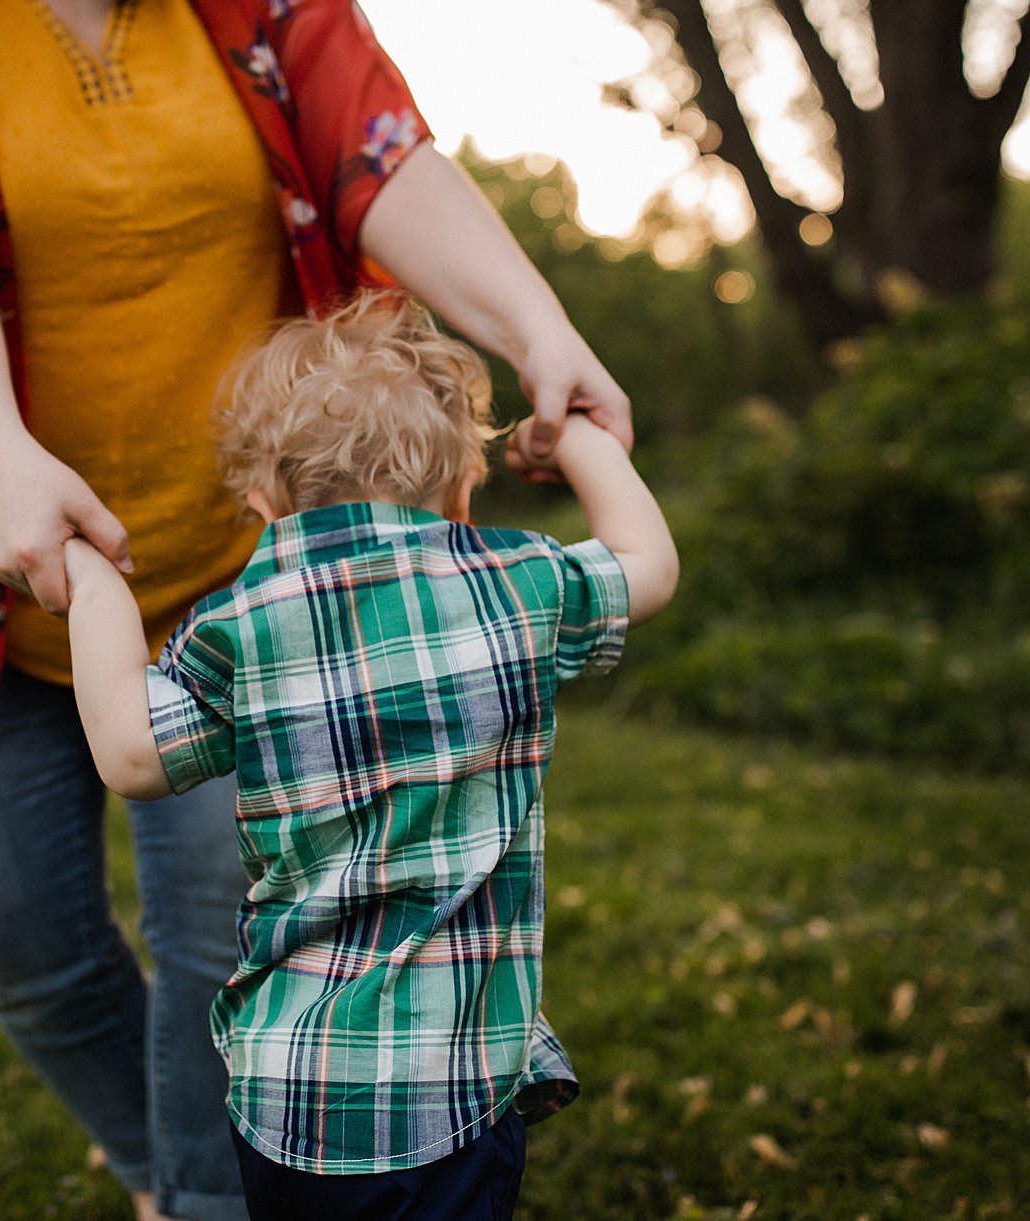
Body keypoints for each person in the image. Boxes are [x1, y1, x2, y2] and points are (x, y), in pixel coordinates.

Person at [0, 0, 635, 1216]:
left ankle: (209, 1194)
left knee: (227, 940)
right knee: (20, 944)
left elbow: (380, 156)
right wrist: (3, 455)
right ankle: (171, 1170)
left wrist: (536, 330)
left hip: (256, 580)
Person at [59, 290, 679, 1219]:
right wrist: (579, 441)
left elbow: (129, 753)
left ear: (263, 499)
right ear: (462, 487)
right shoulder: (518, 585)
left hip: (290, 1090)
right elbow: (647, 566)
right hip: (457, 1083)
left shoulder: (237, 627)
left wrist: (92, 579)